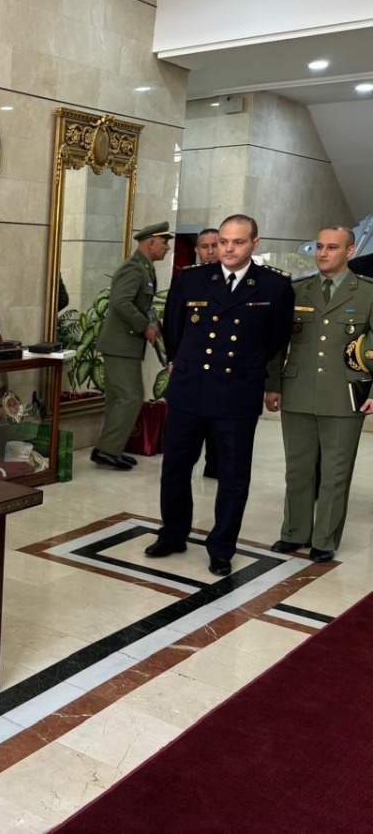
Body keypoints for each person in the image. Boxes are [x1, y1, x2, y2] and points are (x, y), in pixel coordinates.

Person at [145, 214, 294, 576]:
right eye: (224, 241)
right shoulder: (192, 279)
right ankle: (172, 534)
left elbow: (276, 339)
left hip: (237, 393)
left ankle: (222, 547)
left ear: (254, 244)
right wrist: (182, 361)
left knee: (233, 476)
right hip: (190, 389)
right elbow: (174, 328)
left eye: (238, 242)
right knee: (176, 467)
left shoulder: (274, 286)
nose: (228, 249)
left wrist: (247, 367)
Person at [264, 225, 373, 562]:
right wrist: (272, 385)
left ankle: (324, 539)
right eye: (320, 247)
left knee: (336, 472)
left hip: (345, 394)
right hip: (297, 391)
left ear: (350, 251)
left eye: (332, 247)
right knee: (297, 469)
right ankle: (294, 532)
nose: (323, 253)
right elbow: (277, 342)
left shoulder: (367, 292)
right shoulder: (297, 290)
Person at [92, 221, 172, 470]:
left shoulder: (144, 268)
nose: (167, 247)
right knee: (131, 396)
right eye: (164, 242)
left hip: (124, 344)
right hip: (121, 344)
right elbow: (120, 302)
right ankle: (107, 450)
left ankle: (109, 449)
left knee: (119, 398)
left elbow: (137, 304)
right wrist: (144, 326)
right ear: (151, 242)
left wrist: (152, 322)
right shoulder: (134, 268)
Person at [194, 228, 222, 479]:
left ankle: (214, 464)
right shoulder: (189, 280)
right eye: (205, 246)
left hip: (225, 365)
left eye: (216, 245)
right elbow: (174, 324)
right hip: (193, 366)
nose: (211, 251)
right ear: (197, 250)